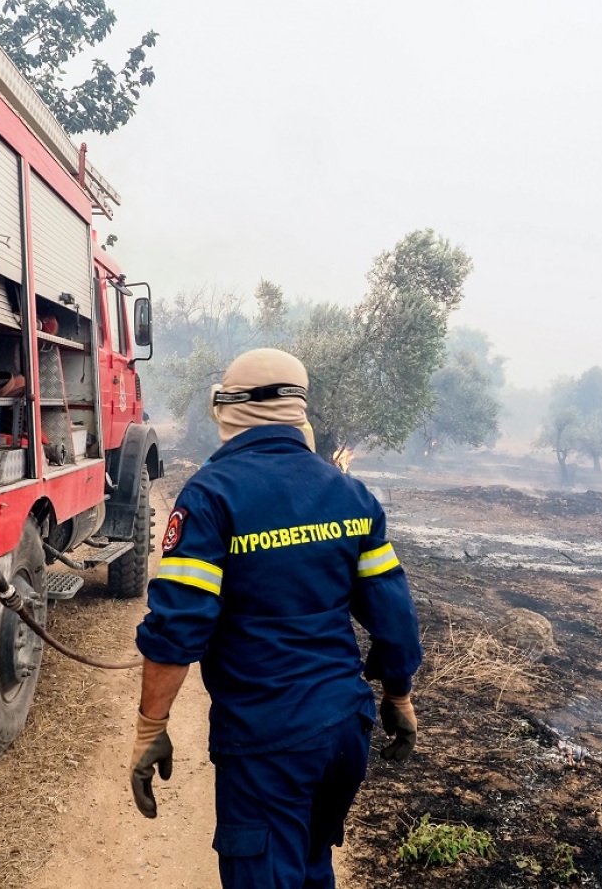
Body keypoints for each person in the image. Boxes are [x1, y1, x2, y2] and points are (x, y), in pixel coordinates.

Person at [129, 347, 423, 889]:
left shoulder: (212, 496)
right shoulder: (348, 493)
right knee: (312, 866)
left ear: (230, 407)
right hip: (344, 733)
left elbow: (178, 628)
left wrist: (151, 728)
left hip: (268, 742)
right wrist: (399, 697)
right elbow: (394, 613)